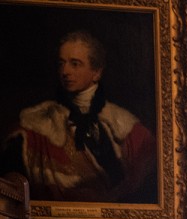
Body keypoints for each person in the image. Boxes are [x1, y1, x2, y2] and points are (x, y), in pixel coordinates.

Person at [0, 30, 157, 204]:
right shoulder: (34, 126)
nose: (65, 71)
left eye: (75, 64)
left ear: (96, 72)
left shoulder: (123, 124)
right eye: (61, 64)